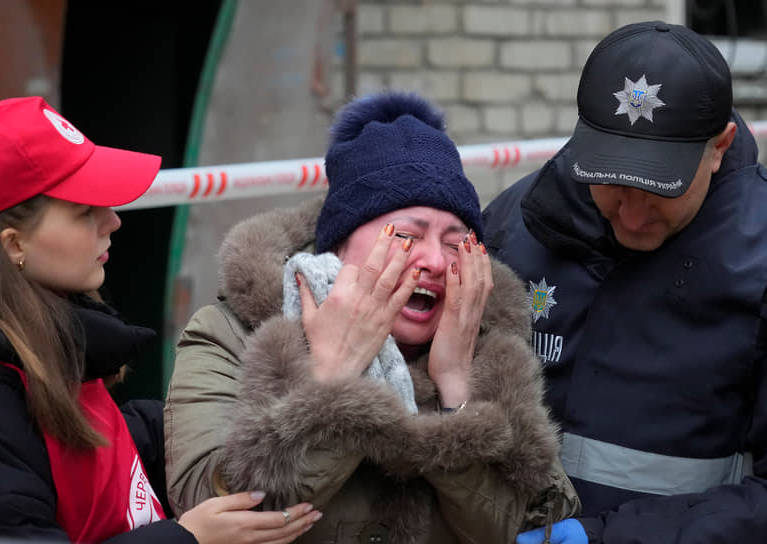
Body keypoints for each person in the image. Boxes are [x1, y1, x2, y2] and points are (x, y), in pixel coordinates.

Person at [481, 21, 767, 544]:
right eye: (614, 181)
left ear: (719, 146)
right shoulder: (519, 223)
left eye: (660, 187)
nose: (634, 213)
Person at [164, 91, 581, 543]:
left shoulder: (493, 347)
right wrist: (332, 378)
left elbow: (529, 526)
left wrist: (457, 389)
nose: (436, 263)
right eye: (406, 236)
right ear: (339, 246)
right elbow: (208, 506)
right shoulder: (230, 332)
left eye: (454, 241)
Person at [0, 96, 318, 544]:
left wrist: (204, 415)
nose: (114, 221)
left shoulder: (26, 339)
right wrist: (188, 539)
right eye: (85, 211)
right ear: (13, 245)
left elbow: (95, 459)